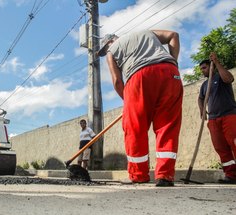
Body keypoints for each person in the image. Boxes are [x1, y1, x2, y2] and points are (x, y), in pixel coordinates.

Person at [97, 30, 183, 186]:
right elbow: (173, 35)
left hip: (139, 77)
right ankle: (165, 175)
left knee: (135, 128)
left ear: (110, 42)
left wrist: (129, 102)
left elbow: (117, 81)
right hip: (170, 73)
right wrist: (172, 62)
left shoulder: (112, 51)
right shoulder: (146, 32)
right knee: (167, 125)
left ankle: (138, 175)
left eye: (105, 49)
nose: (106, 52)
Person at [198, 52, 236, 184]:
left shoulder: (220, 77)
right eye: (201, 69)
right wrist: (202, 110)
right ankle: (231, 175)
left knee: (234, 143)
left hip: (229, 115)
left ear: (211, 67)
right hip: (213, 120)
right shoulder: (204, 85)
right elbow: (201, 98)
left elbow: (230, 79)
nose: (202, 70)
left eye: (204, 67)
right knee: (221, 147)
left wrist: (217, 62)